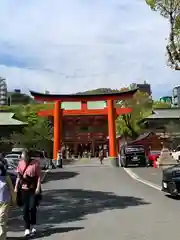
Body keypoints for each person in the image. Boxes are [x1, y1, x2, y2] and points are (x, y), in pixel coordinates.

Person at [14, 150, 41, 237]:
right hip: (23, 189)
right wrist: (16, 187)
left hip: (32, 189)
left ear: (28, 156)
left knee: (32, 207)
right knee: (25, 209)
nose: (24, 160)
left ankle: (33, 225)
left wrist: (38, 187)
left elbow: (39, 177)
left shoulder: (35, 163)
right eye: (22, 158)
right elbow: (19, 176)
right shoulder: (20, 163)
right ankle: (27, 228)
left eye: (25, 158)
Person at [0, 161, 16, 240]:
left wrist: (14, 200)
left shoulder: (6, 177)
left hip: (5, 202)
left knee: (1, 219)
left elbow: (11, 189)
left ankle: (2, 237)